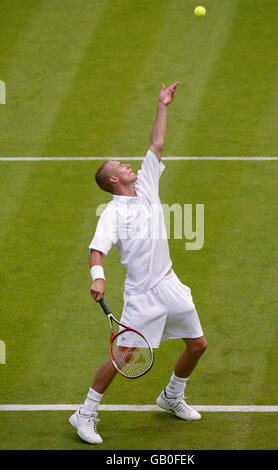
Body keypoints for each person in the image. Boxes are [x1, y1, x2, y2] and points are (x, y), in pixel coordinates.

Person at [69, 82, 207, 444]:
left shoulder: (146, 183)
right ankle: (84, 414)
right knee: (123, 357)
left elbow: (155, 144)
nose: (128, 164)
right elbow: (96, 250)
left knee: (198, 345)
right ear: (114, 179)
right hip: (143, 295)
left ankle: (172, 395)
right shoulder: (112, 214)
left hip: (169, 282)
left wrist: (163, 105)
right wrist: (98, 279)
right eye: (121, 165)